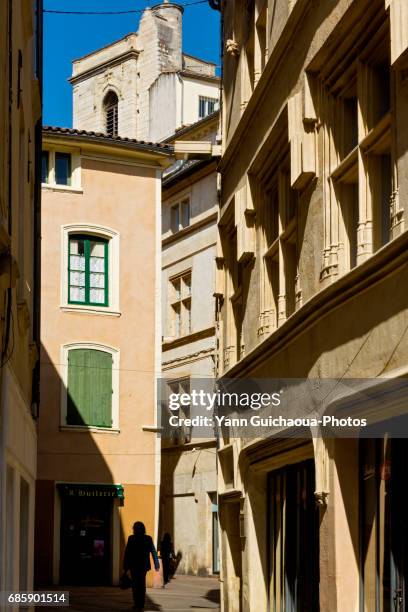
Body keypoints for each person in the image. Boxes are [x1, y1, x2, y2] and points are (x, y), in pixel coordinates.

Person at [123, 521, 160, 611]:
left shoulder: (133, 538)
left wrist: (125, 566)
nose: (136, 529)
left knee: (137, 585)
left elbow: (127, 553)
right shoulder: (146, 538)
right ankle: (139, 604)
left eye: (136, 528)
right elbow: (127, 553)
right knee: (139, 585)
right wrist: (156, 563)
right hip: (139, 566)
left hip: (137, 566)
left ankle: (138, 604)